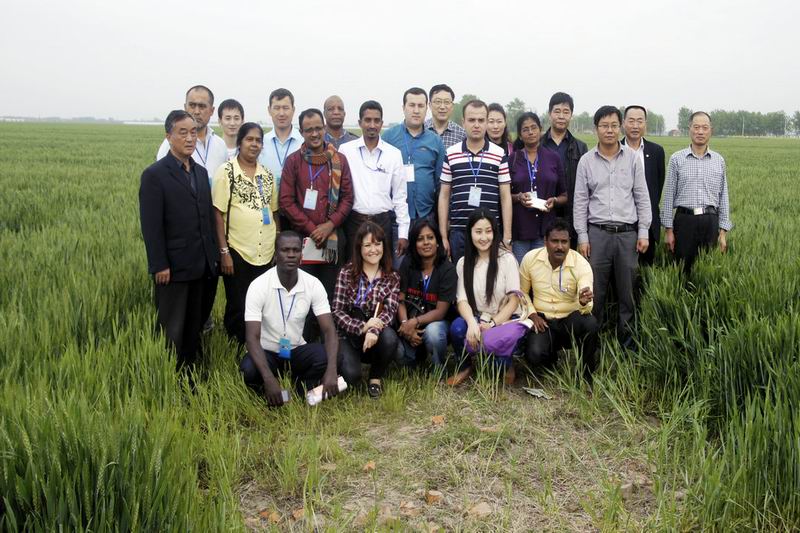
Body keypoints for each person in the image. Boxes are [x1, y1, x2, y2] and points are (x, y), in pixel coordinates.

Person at [139, 110, 218, 370]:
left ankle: (191, 373)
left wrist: (213, 259)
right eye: (182, 133)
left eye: (193, 132)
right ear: (168, 137)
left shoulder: (200, 172)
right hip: (173, 268)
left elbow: (207, 218)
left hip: (202, 265)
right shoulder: (155, 175)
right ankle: (168, 375)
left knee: (195, 326)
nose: (189, 138)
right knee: (172, 329)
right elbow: (151, 226)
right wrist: (159, 264)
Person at [573, 106, 651, 347]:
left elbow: (642, 196)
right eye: (604, 126)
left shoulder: (632, 158)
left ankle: (627, 345)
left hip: (627, 236)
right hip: (597, 235)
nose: (609, 130)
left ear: (621, 127)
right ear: (596, 128)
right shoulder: (586, 161)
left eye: (614, 125)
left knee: (627, 293)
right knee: (595, 292)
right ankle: (591, 344)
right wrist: (583, 236)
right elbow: (580, 201)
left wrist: (643, 231)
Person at [240, 232, 340, 406]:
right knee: (248, 370)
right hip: (268, 352)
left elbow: (329, 330)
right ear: (275, 254)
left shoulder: (313, 284)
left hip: (295, 350)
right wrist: (268, 378)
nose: (291, 255)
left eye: (296, 250)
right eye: (285, 250)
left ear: (302, 254)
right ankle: (272, 390)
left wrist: (332, 370)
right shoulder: (259, 285)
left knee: (330, 357)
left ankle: (297, 391)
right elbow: (252, 338)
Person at [212, 123, 279, 345]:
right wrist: (224, 252)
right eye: (249, 139)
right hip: (238, 249)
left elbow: (274, 211)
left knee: (261, 301)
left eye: (258, 140)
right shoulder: (227, 172)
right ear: (240, 142)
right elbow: (217, 213)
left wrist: (277, 241)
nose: (254, 144)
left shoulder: (266, 175)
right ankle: (236, 345)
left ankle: (258, 344)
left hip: (265, 250)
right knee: (238, 302)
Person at [280, 108, 354, 297]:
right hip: (303, 240)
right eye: (309, 130)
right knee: (303, 294)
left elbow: (347, 198)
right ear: (301, 132)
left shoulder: (340, 160)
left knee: (330, 293)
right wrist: (312, 229)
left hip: (333, 238)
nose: (314, 134)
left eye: (318, 128)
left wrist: (329, 225)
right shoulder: (293, 161)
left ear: (324, 128)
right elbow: (286, 201)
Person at [519, 218, 599, 382]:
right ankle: (551, 360)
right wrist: (532, 315)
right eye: (555, 241)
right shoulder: (530, 259)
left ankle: (586, 375)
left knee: (590, 324)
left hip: (569, 321)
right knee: (534, 355)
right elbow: (522, 293)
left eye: (564, 242)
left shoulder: (581, 264)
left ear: (570, 242)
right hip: (543, 321)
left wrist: (583, 301)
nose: (560, 246)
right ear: (545, 241)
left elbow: (586, 298)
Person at [448, 209, 521, 386]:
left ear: (494, 232)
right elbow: (462, 300)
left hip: (503, 320)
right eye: (478, 232)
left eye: (488, 231)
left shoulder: (507, 259)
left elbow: (514, 301)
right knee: (457, 328)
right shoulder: (463, 263)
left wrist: (493, 324)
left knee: (497, 370)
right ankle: (465, 366)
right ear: (470, 233)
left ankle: (507, 363)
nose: (483, 237)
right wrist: (472, 323)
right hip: (478, 318)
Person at [438, 99, 512, 262]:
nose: (476, 125)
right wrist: (443, 235)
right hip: (459, 231)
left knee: (489, 275)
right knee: (461, 275)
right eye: (471, 120)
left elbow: (505, 196)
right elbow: (444, 195)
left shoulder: (499, 154)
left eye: (481, 120)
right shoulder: (451, 153)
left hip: (489, 231)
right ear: (463, 122)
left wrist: (507, 236)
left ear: (486, 122)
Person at [332, 222, 400, 398]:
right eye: (368, 245)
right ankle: (347, 364)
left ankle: (375, 377)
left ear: (384, 246)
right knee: (352, 377)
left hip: (375, 335)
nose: (373, 250)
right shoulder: (346, 272)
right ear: (359, 248)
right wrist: (362, 327)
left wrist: (372, 330)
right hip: (348, 334)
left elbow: (389, 312)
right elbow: (337, 312)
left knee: (390, 338)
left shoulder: (392, 277)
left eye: (377, 244)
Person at [339, 100, 409, 263]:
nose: (372, 125)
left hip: (382, 223)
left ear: (381, 124)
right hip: (354, 222)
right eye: (368, 120)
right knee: (353, 271)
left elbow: (400, 197)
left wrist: (403, 233)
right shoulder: (346, 151)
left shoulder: (393, 154)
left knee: (383, 271)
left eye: (376, 121)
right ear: (360, 123)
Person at [661, 111, 732, 273]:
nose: (700, 131)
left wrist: (722, 232)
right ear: (690, 129)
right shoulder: (677, 159)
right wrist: (668, 231)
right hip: (684, 221)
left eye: (705, 128)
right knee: (682, 269)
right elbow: (668, 195)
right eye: (696, 127)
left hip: (710, 221)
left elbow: (723, 196)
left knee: (708, 269)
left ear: (711, 131)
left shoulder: (718, 160)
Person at [396, 219, 457, 369]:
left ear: (438, 242)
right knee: (401, 355)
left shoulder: (448, 269)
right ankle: (418, 357)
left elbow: (440, 312)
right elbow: (400, 300)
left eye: (430, 237)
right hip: (409, 320)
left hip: (436, 323)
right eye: (420, 239)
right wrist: (405, 325)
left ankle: (438, 368)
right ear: (414, 244)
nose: (426, 243)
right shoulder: (407, 263)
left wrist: (414, 322)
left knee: (433, 333)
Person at [508, 112, 567, 263]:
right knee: (521, 272)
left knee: (543, 272)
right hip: (520, 229)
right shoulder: (512, 159)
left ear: (540, 130)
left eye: (534, 127)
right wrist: (518, 197)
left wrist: (555, 200)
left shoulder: (553, 158)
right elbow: (504, 195)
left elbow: (564, 195)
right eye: (525, 129)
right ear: (520, 135)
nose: (530, 132)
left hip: (546, 230)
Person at [621, 105, 666, 266]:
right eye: (631, 121)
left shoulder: (656, 152)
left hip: (648, 226)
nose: (635, 126)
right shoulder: (614, 149)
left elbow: (657, 187)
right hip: (621, 226)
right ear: (623, 123)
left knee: (645, 271)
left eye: (639, 121)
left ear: (645, 124)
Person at [541, 92, 588, 240]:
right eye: (557, 111)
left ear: (571, 115)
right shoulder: (537, 145)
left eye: (566, 112)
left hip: (570, 214)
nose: (561, 116)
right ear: (549, 114)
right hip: (542, 212)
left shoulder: (580, 147)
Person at [156, 85, 228, 178]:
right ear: (185, 107)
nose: (196, 111)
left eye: (202, 106)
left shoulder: (220, 144)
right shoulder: (171, 144)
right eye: (192, 106)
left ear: (212, 110)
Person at [258, 88, 303, 189]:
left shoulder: (303, 142)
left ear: (293, 110)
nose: (281, 113)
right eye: (277, 108)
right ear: (269, 110)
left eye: (286, 108)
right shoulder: (261, 143)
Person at [424, 84, 467, 148]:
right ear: (430, 105)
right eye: (438, 102)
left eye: (447, 102)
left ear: (452, 106)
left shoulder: (462, 134)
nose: (442, 107)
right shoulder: (420, 130)